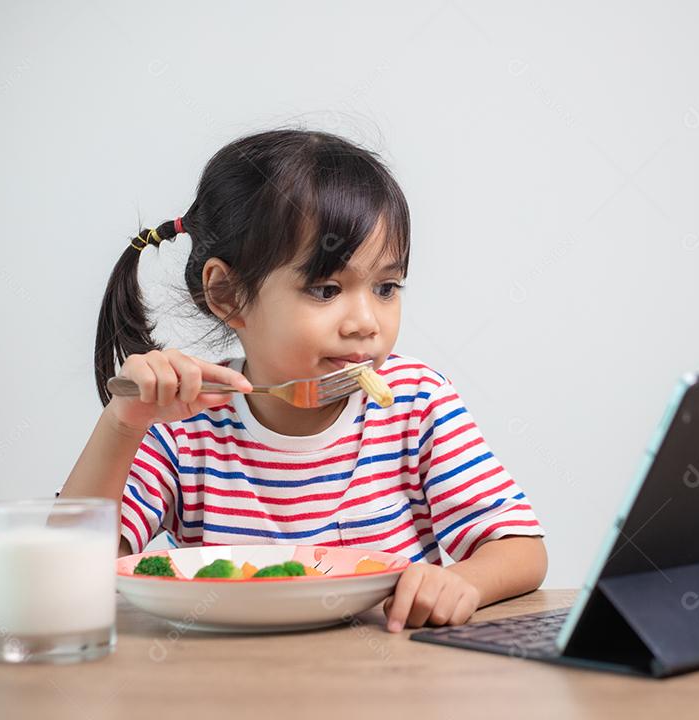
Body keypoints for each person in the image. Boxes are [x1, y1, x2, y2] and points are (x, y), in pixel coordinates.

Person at [61, 129, 547, 632]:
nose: (365, 321)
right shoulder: (183, 423)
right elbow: (70, 571)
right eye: (326, 289)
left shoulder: (416, 403)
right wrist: (123, 425)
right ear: (227, 295)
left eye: (386, 287)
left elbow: (520, 549)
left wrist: (466, 580)